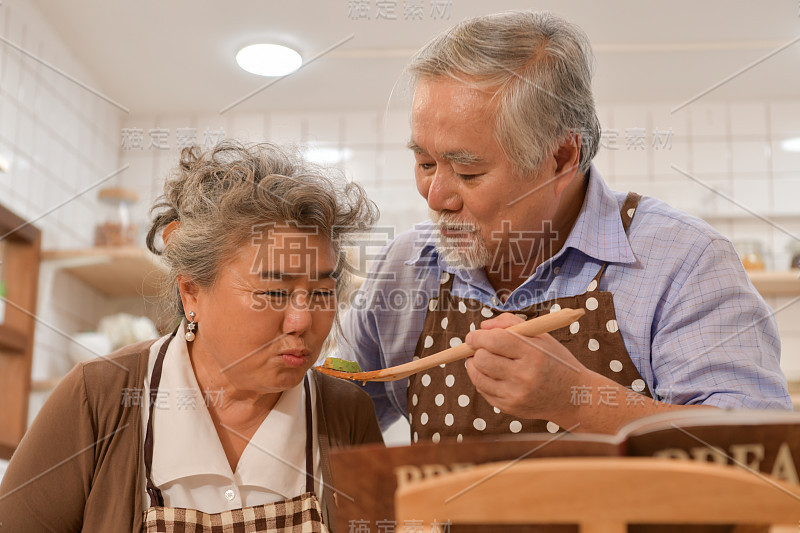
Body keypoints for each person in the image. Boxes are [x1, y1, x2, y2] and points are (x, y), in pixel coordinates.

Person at [339, 10, 791, 444]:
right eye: (424, 162)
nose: (435, 197)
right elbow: (336, 415)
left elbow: (763, 458)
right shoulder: (407, 266)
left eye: (468, 172)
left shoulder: (683, 261)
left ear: (560, 159)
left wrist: (580, 401)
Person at [0, 141, 383, 531]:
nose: (302, 320)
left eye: (321, 292)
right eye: (273, 292)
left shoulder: (345, 414)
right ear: (191, 291)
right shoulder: (98, 400)